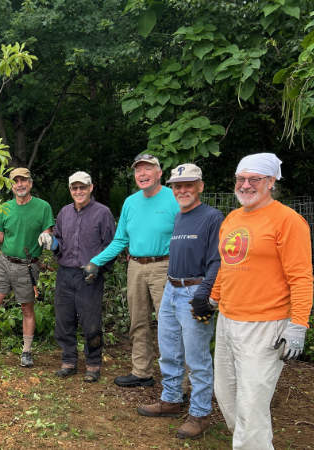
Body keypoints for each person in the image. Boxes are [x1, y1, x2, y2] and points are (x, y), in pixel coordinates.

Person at [211, 153, 313, 449]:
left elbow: (301, 277)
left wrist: (298, 325)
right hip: (228, 320)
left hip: (265, 324)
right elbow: (226, 263)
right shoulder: (232, 218)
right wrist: (214, 297)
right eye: (240, 179)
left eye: (253, 179)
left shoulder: (288, 221)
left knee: (252, 402)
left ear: (270, 182)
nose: (245, 185)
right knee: (227, 393)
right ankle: (249, 443)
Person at [136, 163, 223, 439]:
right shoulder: (179, 217)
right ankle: (171, 400)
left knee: (197, 358)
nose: (182, 190)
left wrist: (205, 295)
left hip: (194, 292)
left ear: (200, 186)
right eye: (178, 186)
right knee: (169, 351)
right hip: (172, 289)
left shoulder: (212, 217)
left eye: (188, 184)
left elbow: (217, 260)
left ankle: (199, 414)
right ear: (173, 189)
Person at [86, 153, 179, 387]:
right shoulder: (130, 202)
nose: (143, 174)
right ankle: (141, 371)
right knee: (138, 321)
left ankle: (179, 381)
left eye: (148, 169)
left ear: (160, 173)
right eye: (139, 170)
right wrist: (96, 261)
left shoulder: (174, 198)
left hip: (165, 266)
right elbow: (120, 240)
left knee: (170, 325)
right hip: (135, 266)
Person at [0, 167, 54, 368]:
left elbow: (48, 233)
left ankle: (26, 352)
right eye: (16, 181)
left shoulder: (43, 207)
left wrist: (47, 239)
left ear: (30, 183)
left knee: (27, 308)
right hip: (4, 262)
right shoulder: (5, 208)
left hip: (27, 265)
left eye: (23, 180)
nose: (20, 184)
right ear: (11, 186)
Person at [42, 171, 114, 382]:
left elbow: (111, 245)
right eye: (75, 188)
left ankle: (93, 364)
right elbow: (59, 241)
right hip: (65, 273)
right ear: (70, 190)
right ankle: (69, 361)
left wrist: (99, 267)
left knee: (91, 322)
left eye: (83, 187)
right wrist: (51, 242)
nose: (79, 191)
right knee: (64, 320)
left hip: (89, 275)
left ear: (91, 188)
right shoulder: (64, 212)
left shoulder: (103, 213)